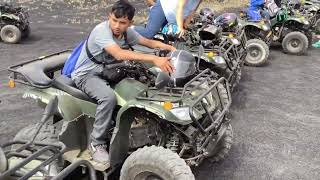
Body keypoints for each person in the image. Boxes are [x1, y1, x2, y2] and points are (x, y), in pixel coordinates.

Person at [71, 0, 176, 163]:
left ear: (130, 23)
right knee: (108, 98)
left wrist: (171, 49)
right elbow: (119, 54)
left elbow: (148, 42)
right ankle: (96, 143)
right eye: (114, 20)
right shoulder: (101, 31)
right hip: (87, 74)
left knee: (143, 82)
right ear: (109, 16)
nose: (117, 26)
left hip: (108, 70)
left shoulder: (127, 33)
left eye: (122, 23)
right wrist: (154, 59)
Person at [134, 0, 202, 39]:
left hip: (174, 16)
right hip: (163, 8)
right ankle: (130, 29)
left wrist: (185, 24)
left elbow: (193, 11)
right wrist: (180, 27)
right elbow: (179, 8)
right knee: (149, 34)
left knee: (174, 36)